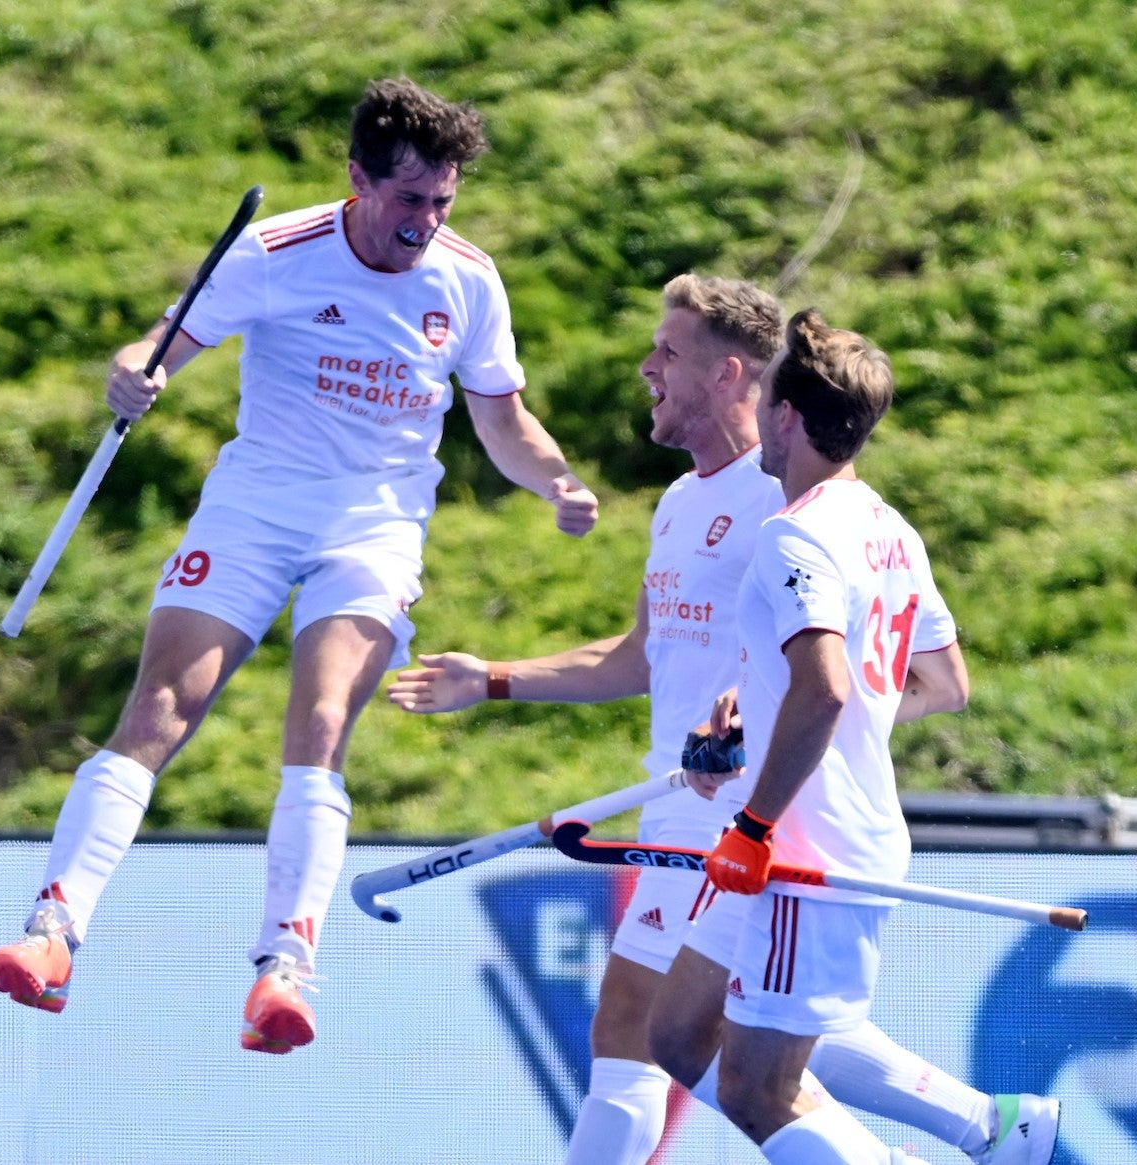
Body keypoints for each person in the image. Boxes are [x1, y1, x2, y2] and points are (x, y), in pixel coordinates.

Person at [0, 78, 601, 1055]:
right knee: (157, 713)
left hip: (375, 527)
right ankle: (54, 928)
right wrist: (134, 371)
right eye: (409, 200)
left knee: (318, 722)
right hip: (255, 508)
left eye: (444, 201)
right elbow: (160, 345)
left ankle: (286, 967)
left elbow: (502, 419)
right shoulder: (275, 253)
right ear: (357, 179)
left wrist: (556, 483)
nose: (426, 223)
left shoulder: (469, 280)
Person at [387, 275, 1053, 1164]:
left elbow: (868, 681)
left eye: (668, 352)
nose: (646, 368)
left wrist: (760, 753)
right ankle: (985, 1126)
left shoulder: (781, 509)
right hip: (729, 815)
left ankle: (954, 1136)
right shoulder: (684, 501)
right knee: (730, 1039)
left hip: (741, 825)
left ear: (740, 381)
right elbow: (640, 658)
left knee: (654, 1031)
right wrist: (494, 680)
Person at [631, 309, 966, 1165]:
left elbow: (824, 691)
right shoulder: (891, 526)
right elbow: (941, 684)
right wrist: (762, 717)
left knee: (755, 1089)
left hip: (798, 851)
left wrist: (752, 822)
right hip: (787, 842)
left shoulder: (794, 535)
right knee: (674, 1034)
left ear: (785, 416)